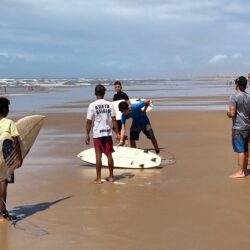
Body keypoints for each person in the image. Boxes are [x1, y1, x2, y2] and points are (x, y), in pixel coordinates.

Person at [85, 84, 119, 184]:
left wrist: (87, 135)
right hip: (107, 133)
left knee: (98, 156)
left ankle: (99, 178)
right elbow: (114, 120)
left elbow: (89, 121)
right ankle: (111, 176)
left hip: (97, 134)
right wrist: (117, 133)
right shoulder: (110, 104)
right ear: (104, 93)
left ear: (95, 93)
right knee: (109, 155)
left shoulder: (92, 105)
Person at [0, 97, 23, 221]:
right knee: (4, 182)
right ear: (4, 109)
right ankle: (2, 213)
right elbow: (16, 140)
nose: (9, 110)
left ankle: (2, 210)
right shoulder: (9, 123)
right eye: (8, 107)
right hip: (7, 157)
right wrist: (19, 158)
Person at [227, 76, 250, 178]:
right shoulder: (248, 96)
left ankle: (240, 172)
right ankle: (244, 170)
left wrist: (228, 113)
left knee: (240, 150)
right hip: (247, 126)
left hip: (238, 127)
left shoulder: (234, 96)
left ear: (237, 85)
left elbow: (232, 113)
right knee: (245, 149)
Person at [113, 81, 130, 146]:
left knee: (119, 128)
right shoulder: (115, 96)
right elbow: (115, 105)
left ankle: (123, 140)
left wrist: (126, 113)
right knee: (115, 128)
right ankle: (123, 139)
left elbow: (129, 103)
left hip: (123, 114)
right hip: (117, 114)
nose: (117, 88)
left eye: (118, 87)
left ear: (121, 87)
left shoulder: (124, 95)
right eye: (116, 87)